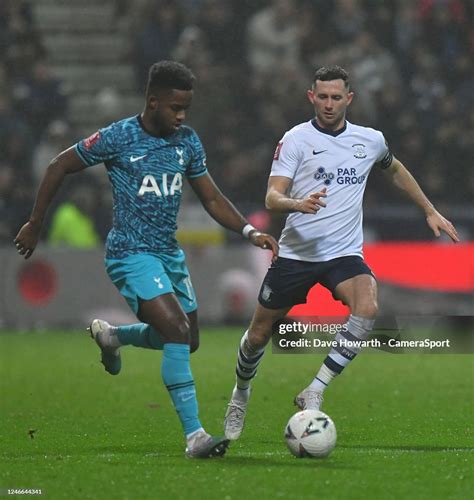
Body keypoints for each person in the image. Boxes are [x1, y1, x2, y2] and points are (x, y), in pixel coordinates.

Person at [14, 60, 279, 458]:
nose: (182, 115)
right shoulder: (118, 137)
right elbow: (59, 165)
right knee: (174, 328)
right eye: (175, 107)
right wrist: (35, 222)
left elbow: (210, 196)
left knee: (187, 339)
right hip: (130, 253)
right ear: (153, 102)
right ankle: (195, 437)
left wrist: (248, 230)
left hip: (168, 254)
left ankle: (113, 336)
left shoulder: (187, 141)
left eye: (186, 107)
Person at [223, 65, 459, 440]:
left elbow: (394, 169)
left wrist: (428, 209)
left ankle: (315, 388)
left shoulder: (369, 140)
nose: (329, 104)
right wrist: (296, 203)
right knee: (257, 334)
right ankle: (240, 393)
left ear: (349, 99)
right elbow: (272, 195)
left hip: (343, 254)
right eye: (322, 97)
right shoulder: (296, 140)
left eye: (336, 97)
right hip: (298, 254)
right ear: (310, 97)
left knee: (367, 307)